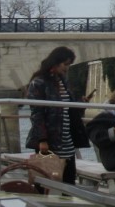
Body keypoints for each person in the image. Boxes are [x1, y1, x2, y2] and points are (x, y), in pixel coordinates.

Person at [25, 46, 90, 185]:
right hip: (50, 140)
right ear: (55, 62)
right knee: (45, 182)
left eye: (69, 64)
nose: (67, 68)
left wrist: (80, 104)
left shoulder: (63, 81)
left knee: (69, 181)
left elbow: (67, 108)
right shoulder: (39, 82)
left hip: (67, 139)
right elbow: (37, 113)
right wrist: (42, 139)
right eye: (65, 64)